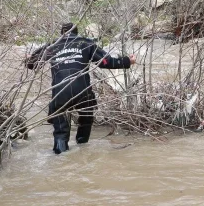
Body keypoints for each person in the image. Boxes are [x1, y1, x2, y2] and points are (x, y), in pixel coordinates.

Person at [26, 22, 136, 154]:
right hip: (82, 91)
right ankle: (82, 148)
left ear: (62, 33)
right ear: (76, 32)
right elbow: (107, 62)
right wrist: (127, 61)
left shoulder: (53, 45)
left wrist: (28, 60)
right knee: (86, 117)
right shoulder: (86, 43)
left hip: (60, 92)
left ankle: (60, 156)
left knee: (61, 131)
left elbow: (32, 64)